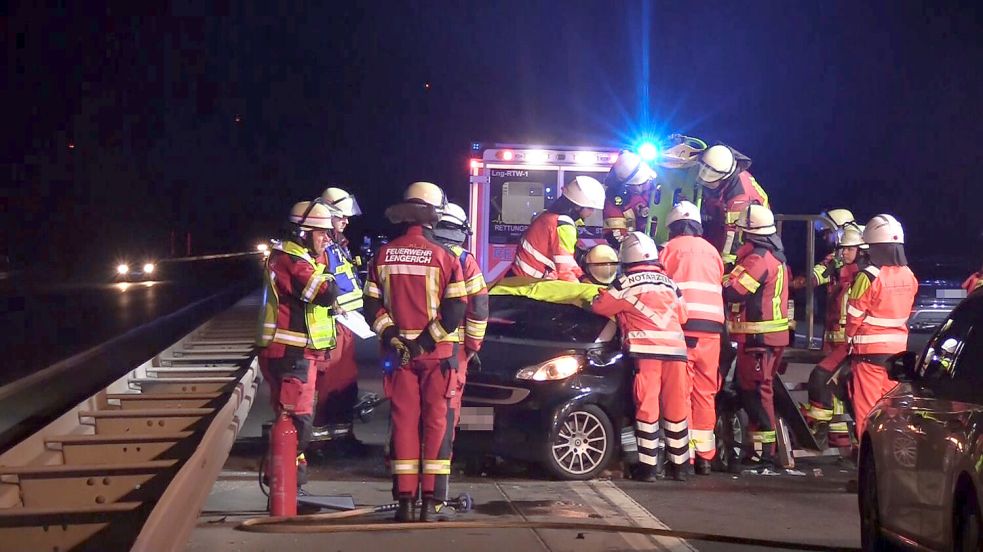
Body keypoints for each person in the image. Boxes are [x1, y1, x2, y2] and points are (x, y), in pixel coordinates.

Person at [363, 182, 468, 522]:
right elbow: (455, 311)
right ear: (433, 216)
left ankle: (405, 502)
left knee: (404, 424)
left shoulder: (382, 255)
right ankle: (430, 503)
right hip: (436, 357)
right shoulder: (446, 257)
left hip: (399, 358)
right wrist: (424, 342)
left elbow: (370, 306)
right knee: (436, 424)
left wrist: (395, 337)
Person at [591, 232, 690, 481]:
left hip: (646, 352)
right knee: (676, 407)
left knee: (647, 407)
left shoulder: (626, 283)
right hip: (677, 351)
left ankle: (647, 468)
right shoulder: (670, 283)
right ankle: (680, 467)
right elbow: (684, 316)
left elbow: (600, 307)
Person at [256, 200, 340, 490]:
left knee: (295, 420)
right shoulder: (291, 260)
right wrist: (331, 270)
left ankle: (288, 484)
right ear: (303, 233)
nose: (327, 239)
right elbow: (326, 292)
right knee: (296, 421)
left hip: (298, 354)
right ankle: (285, 486)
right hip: (291, 355)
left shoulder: (298, 258)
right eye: (321, 233)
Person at [429, 202, 488, 503]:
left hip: (406, 349)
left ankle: (402, 477)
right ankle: (436, 493)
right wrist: (473, 346)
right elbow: (477, 307)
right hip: (449, 350)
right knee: (444, 415)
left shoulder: (419, 253)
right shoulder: (463, 260)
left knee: (407, 413)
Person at [659, 201, 725, 475]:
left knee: (680, 391)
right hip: (712, 330)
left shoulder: (668, 250)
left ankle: (683, 455)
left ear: (673, 227)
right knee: (706, 390)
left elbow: (658, 285)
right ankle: (706, 456)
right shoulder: (712, 251)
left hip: (682, 328)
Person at [722, 204, 790, 470]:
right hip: (764, 338)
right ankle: (758, 451)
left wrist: (722, 279)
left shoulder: (758, 259)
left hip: (758, 340)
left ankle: (765, 454)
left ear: (748, 232)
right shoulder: (772, 255)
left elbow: (736, 291)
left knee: (755, 394)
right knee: (756, 392)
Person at [845, 214, 917, 440]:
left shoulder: (868, 276)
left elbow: (854, 315)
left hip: (869, 357)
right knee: (891, 413)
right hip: (896, 356)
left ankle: (867, 468)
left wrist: (848, 339)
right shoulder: (909, 275)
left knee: (867, 412)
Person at [801, 223, 866, 448]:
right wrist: (828, 267)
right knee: (834, 390)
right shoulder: (837, 265)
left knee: (824, 381)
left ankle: (822, 432)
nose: (843, 252)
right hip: (835, 339)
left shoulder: (865, 275)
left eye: (848, 249)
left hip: (850, 343)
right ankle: (837, 440)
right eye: (842, 248)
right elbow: (811, 279)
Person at [312, 187, 365, 448]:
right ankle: (321, 443)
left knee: (345, 382)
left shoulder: (338, 246)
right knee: (329, 383)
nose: (346, 222)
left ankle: (343, 438)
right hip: (330, 325)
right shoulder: (319, 246)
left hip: (347, 324)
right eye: (341, 217)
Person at [510, 175, 605, 281]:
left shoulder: (548, 216)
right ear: (577, 206)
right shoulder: (564, 225)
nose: (592, 212)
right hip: (532, 284)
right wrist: (581, 290)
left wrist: (581, 277)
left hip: (520, 279)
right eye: (590, 208)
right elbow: (565, 269)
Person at [696, 144, 769, 265]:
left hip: (747, 234)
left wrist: (724, 264)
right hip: (721, 223)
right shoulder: (716, 160)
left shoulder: (739, 199)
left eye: (711, 182)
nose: (707, 185)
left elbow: (732, 236)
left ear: (723, 177)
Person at [602, 151, 659, 245]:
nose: (646, 186)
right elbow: (617, 237)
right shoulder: (615, 200)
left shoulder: (659, 186)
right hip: (635, 250)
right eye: (642, 183)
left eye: (647, 181)